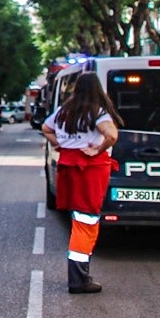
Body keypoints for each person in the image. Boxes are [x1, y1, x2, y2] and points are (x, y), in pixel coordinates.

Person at [41, 72, 123, 295]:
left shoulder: (64, 112)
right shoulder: (97, 112)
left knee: (78, 218)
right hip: (90, 170)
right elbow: (112, 135)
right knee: (86, 222)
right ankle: (79, 279)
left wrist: (62, 145)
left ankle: (79, 275)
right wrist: (97, 148)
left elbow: (45, 129)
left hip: (68, 169)